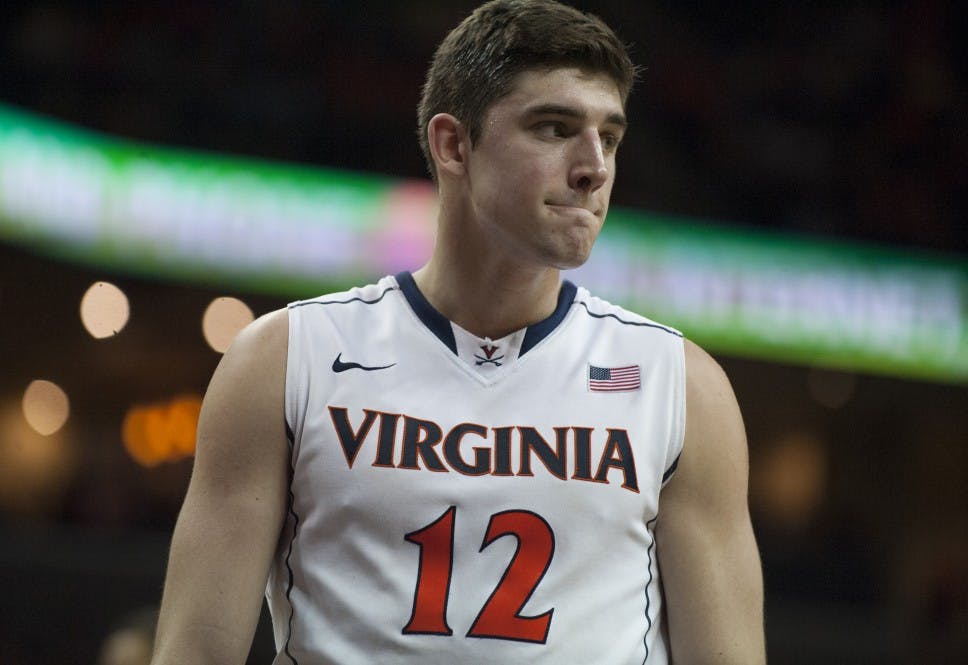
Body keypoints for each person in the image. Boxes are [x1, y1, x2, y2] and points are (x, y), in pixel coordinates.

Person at [151, 1, 765, 663]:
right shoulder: (284, 359)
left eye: (609, 137)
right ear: (453, 145)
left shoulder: (679, 384)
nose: (595, 167)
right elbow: (193, 652)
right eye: (555, 128)